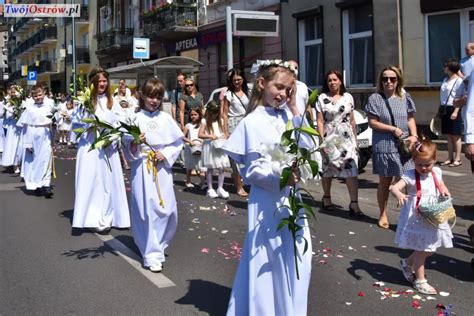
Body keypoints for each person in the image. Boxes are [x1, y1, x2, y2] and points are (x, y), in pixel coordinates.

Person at [222, 60, 312, 315]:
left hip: (291, 198)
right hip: (266, 201)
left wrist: (295, 107)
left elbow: (306, 144)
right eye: (279, 87)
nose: (283, 94)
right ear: (262, 84)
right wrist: (281, 178)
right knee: (268, 257)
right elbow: (251, 171)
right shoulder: (252, 122)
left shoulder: (289, 115)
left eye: (289, 89)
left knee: (299, 258)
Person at [123, 78, 184, 273]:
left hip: (161, 168)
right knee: (146, 210)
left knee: (167, 210)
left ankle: (160, 244)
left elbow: (177, 142)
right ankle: (151, 253)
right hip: (142, 167)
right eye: (150, 96)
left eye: (158, 97)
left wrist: (164, 154)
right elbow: (125, 146)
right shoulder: (134, 118)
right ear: (142, 96)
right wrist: (134, 141)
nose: (154, 101)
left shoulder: (166, 119)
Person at [71, 68, 130, 234]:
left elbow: (121, 124)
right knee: (91, 181)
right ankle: (91, 216)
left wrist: (114, 137)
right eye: (99, 81)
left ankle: (109, 215)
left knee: (107, 182)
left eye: (104, 81)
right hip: (90, 147)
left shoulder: (113, 102)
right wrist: (88, 125)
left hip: (108, 148)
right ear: (92, 82)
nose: (102, 84)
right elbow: (75, 125)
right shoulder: (85, 103)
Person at [390, 138, 452, 294]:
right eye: (419, 164)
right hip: (417, 217)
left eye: (427, 164)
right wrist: (399, 194)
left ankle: (406, 263)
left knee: (429, 248)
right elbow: (394, 187)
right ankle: (420, 280)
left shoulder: (437, 171)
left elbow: (441, 185)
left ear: (434, 160)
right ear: (413, 161)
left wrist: (444, 191)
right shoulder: (410, 175)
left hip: (433, 214)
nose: (424, 168)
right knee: (422, 249)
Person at [365, 65, 418, 229]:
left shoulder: (405, 96)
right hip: (384, 144)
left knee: (408, 181)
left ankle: (408, 215)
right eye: (385, 78)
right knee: (384, 181)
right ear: (381, 81)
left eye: (392, 78)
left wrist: (414, 135)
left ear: (398, 80)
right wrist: (392, 129)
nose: (388, 81)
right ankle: (383, 213)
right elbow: (372, 122)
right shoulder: (375, 98)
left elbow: (410, 119)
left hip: (404, 146)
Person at [316, 70, 363, 216]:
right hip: (330, 136)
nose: (332, 82)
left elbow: (352, 119)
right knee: (328, 169)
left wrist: (355, 140)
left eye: (335, 79)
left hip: (347, 137)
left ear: (340, 81)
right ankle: (327, 197)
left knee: (351, 169)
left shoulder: (348, 97)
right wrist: (322, 141)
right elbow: (320, 121)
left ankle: (354, 204)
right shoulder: (322, 98)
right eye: (329, 80)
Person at [16, 84, 54, 198]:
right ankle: (37, 185)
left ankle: (46, 185)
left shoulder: (49, 107)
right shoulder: (30, 110)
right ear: (32, 97)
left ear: (44, 94)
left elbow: (53, 121)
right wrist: (28, 143)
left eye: (40, 94)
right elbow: (26, 127)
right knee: (36, 162)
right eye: (35, 96)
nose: (38, 97)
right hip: (34, 138)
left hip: (46, 136)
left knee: (46, 160)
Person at [221, 69, 250, 197]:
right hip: (234, 125)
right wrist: (226, 131)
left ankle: (245, 181)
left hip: (247, 125)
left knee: (248, 155)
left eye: (239, 79)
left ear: (243, 79)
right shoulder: (229, 95)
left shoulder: (249, 92)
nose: (237, 82)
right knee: (236, 158)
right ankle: (239, 186)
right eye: (234, 80)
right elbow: (224, 114)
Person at [199, 101, 230, 199]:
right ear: (209, 112)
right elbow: (200, 134)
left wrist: (223, 136)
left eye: (216, 113)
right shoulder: (204, 121)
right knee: (210, 168)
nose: (214, 116)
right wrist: (210, 136)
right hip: (210, 146)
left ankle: (220, 188)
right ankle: (210, 188)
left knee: (221, 168)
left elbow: (226, 134)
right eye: (213, 113)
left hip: (219, 145)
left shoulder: (220, 120)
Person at [439, 59, 464, 167]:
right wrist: (438, 111)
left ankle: (458, 158)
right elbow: (442, 96)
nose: (444, 68)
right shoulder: (445, 79)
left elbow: (459, 97)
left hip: (454, 108)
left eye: (445, 66)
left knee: (456, 135)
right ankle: (450, 157)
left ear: (450, 68)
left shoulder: (459, 80)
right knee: (448, 136)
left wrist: (456, 111)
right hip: (444, 108)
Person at [182, 107, 206, 188]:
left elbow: (205, 135)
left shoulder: (202, 125)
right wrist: (190, 141)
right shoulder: (188, 125)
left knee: (202, 167)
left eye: (195, 114)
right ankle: (188, 181)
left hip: (200, 147)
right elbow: (183, 136)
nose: (193, 116)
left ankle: (202, 183)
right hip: (190, 148)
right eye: (191, 115)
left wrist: (203, 141)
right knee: (189, 166)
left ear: (199, 115)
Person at [1, 86, 24, 173]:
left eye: (15, 92)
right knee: (13, 145)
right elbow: (6, 116)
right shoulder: (8, 103)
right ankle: (15, 165)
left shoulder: (23, 102)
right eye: (12, 92)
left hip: (21, 126)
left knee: (21, 146)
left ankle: (20, 163)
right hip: (13, 127)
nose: (13, 94)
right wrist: (11, 111)